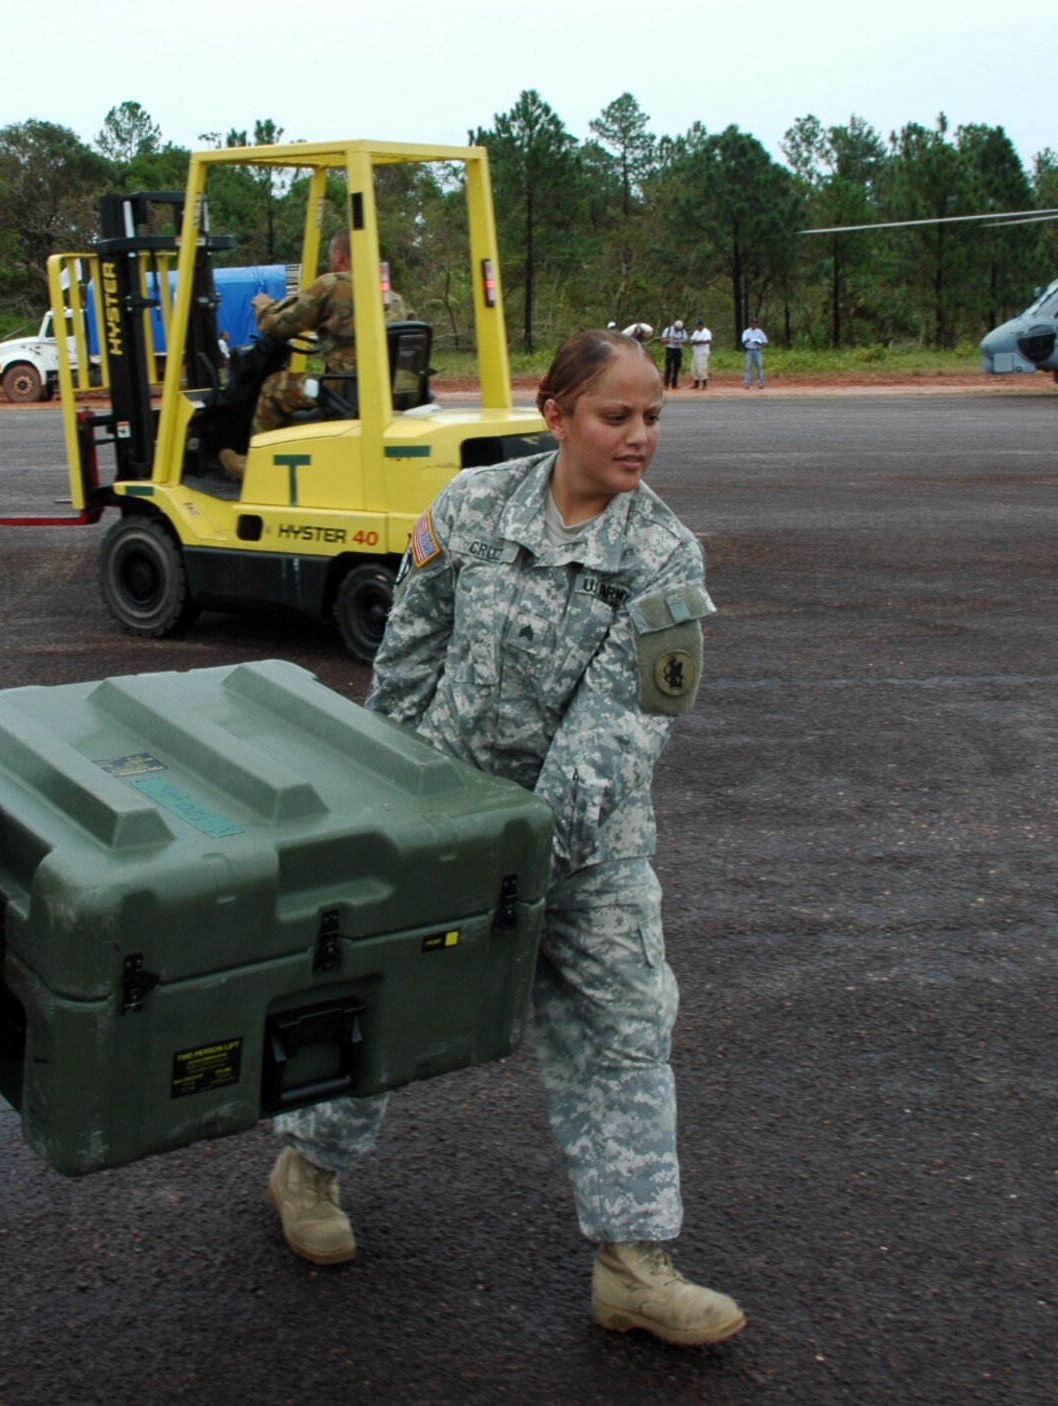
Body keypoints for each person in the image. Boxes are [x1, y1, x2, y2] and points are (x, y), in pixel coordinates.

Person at [265, 328, 743, 1347]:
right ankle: (305, 1166)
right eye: (617, 415)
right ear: (555, 412)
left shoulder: (663, 554)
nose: (640, 435)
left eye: (654, 415)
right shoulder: (469, 507)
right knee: (377, 1005)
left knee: (621, 1024)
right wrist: (383, 805)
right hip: (436, 821)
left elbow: (616, 733)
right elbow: (405, 662)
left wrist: (522, 863)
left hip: (583, 845)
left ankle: (632, 1263)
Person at [220, 228, 357, 478]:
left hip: (344, 390)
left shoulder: (333, 284)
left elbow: (277, 324)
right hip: (379, 391)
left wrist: (262, 306)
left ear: (338, 255)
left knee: (274, 387)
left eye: (330, 256)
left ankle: (256, 465)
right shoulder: (389, 294)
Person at [741, 318, 769, 389]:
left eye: (755, 323)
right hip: (749, 350)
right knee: (748, 367)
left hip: (758, 350)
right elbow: (743, 341)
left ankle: (761, 383)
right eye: (753, 323)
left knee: (759, 367)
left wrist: (761, 342)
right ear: (750, 324)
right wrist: (749, 340)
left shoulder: (759, 332)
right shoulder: (746, 332)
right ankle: (747, 383)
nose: (754, 324)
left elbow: (765, 340)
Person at [660, 318, 687, 390]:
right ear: (674, 326)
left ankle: (674, 384)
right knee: (668, 367)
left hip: (678, 349)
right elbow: (662, 340)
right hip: (669, 348)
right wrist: (669, 340)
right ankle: (666, 384)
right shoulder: (667, 330)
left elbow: (685, 341)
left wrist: (680, 341)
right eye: (677, 328)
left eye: (679, 329)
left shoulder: (682, 331)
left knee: (677, 367)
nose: (678, 330)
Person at [689, 320, 713, 390]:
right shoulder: (696, 332)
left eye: (698, 325)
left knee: (701, 368)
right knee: (694, 368)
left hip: (703, 352)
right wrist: (694, 342)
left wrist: (697, 342)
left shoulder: (706, 332)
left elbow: (707, 341)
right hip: (696, 352)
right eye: (696, 325)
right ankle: (696, 384)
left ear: (702, 325)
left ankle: (704, 384)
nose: (697, 327)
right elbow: (692, 341)